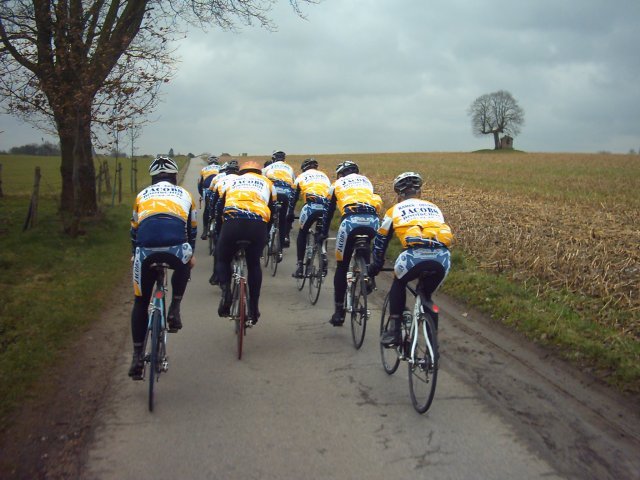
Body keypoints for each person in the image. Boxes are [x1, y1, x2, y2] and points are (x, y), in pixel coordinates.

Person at [128, 156, 197, 379]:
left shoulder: (141, 195)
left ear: (153, 178)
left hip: (145, 251)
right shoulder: (185, 194)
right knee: (184, 261)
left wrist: (134, 254)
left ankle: (137, 356)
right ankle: (174, 309)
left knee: (140, 301)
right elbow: (192, 229)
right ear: (175, 177)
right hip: (175, 249)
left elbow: (134, 230)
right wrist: (191, 254)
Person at [367, 171, 454, 347]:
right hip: (443, 259)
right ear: (419, 193)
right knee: (425, 295)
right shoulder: (434, 208)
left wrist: (376, 264)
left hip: (415, 256)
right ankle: (432, 346)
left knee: (398, 282)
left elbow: (381, 240)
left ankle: (394, 330)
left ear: (399, 195)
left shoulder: (394, 210)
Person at [213, 159, 277, 323]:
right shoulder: (267, 183)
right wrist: (266, 233)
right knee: (254, 264)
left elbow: (218, 209)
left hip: (232, 221)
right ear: (259, 173)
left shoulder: (232, 182)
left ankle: (226, 291)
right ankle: (254, 309)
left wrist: (220, 234)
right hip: (257, 223)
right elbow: (273, 210)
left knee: (222, 258)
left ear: (241, 172)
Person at [321, 160, 382, 326]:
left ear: (341, 174)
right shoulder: (367, 182)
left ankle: (339, 312)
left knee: (342, 266)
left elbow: (328, 211)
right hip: (373, 222)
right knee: (365, 244)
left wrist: (323, 233)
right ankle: (368, 277)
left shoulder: (337, 184)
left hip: (350, 222)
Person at [290, 158, 331, 278]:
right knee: (321, 234)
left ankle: (299, 267)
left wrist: (290, 214)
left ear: (304, 168)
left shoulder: (301, 176)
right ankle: (323, 254)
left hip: (310, 206)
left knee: (302, 233)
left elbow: (293, 198)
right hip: (325, 207)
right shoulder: (325, 176)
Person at [207, 160, 240, 285]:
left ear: (226, 172)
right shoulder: (241, 181)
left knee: (219, 245)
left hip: (225, 214)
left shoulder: (220, 181)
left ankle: (216, 274)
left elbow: (213, 201)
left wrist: (211, 216)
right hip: (242, 214)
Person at [262, 150, 296, 255]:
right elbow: (293, 184)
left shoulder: (267, 168)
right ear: (284, 159)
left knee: (268, 217)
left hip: (273, 194)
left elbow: (262, 183)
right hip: (286, 195)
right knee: (282, 221)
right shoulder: (290, 168)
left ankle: (264, 239)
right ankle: (280, 249)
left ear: (273, 159)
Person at [197, 155, 221, 240]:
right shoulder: (221, 168)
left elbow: (200, 184)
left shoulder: (204, 169)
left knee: (207, 209)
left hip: (207, 189)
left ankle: (204, 231)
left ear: (209, 162)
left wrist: (201, 195)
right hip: (218, 188)